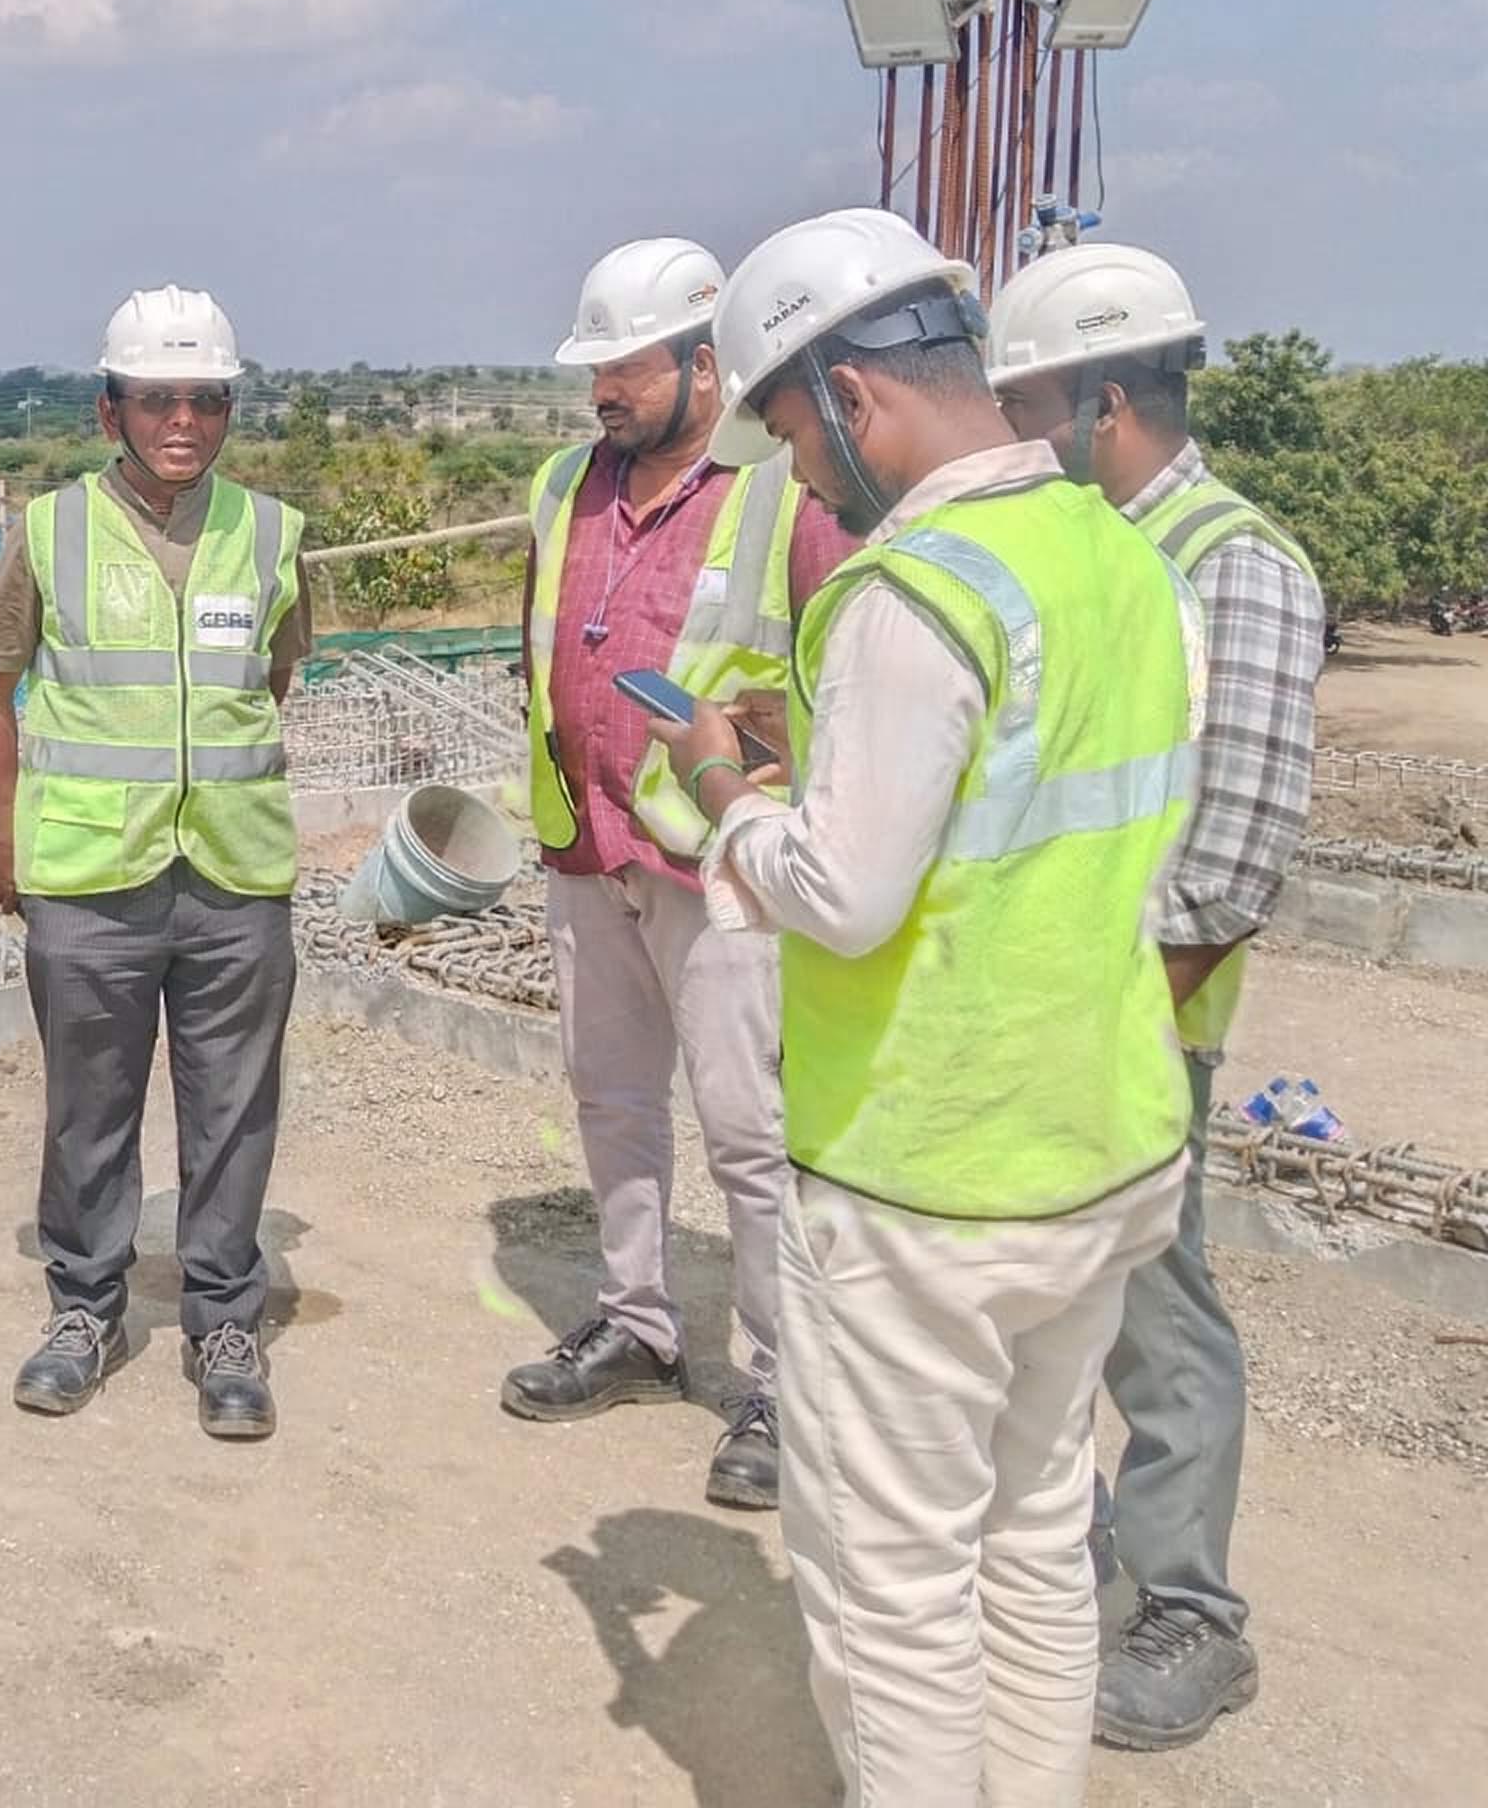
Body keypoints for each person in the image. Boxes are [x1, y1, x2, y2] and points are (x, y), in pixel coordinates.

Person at [640, 206, 1201, 1806]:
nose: (801, 479)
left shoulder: (912, 592)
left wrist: (725, 785)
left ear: (854, 396)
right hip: (1100, 1145)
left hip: (929, 1180)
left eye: (793, 438)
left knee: (892, 1592)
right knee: (1032, 1534)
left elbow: (842, 895)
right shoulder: (1125, 558)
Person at [990, 242, 1323, 1753]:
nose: (1011, 434)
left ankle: (1194, 1614)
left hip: (1140, 1017)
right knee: (1058, 1300)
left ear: (1103, 404)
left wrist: (1117, 1019)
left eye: (1026, 406)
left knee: (1154, 1307)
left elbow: (1232, 849)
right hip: (1053, 1005)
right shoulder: (1084, 547)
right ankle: (1077, 1557)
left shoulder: (1231, 563)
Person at [504, 237, 846, 1513]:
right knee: (610, 1102)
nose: (601, 391)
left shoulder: (782, 492)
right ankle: (637, 1321)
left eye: (625, 368)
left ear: (706, 365)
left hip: (720, 868)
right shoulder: (562, 484)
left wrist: (765, 761)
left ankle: (779, 1385)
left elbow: (836, 674)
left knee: (750, 1135)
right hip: (588, 845)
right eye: (592, 369)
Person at [0, 286, 311, 1439]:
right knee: (88, 1111)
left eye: (204, 400)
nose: (182, 422)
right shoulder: (50, 531)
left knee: (233, 1111)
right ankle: (83, 1310)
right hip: (87, 880)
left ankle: (223, 1323)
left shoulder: (270, 533)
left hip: (233, 878)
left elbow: (270, 678)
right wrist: (8, 834)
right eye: (157, 400)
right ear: (109, 410)